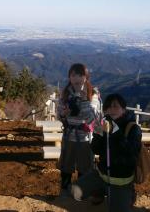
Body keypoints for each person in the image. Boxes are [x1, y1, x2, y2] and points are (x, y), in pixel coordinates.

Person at [71, 93, 142, 212]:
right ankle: (100, 191)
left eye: (115, 106)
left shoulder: (133, 128)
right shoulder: (104, 125)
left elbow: (131, 152)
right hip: (102, 174)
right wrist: (99, 133)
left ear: (123, 109)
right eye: (108, 107)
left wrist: (114, 131)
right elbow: (96, 149)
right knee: (75, 192)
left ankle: (129, 194)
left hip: (121, 181)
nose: (111, 109)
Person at [58, 63, 99, 192]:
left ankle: (82, 193)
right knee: (66, 167)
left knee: (85, 168)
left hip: (85, 137)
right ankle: (64, 192)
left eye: (80, 75)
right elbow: (59, 115)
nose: (77, 78)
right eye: (73, 75)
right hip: (69, 135)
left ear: (86, 77)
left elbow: (93, 119)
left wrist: (84, 102)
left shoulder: (92, 95)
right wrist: (62, 115)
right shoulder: (65, 94)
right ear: (69, 77)